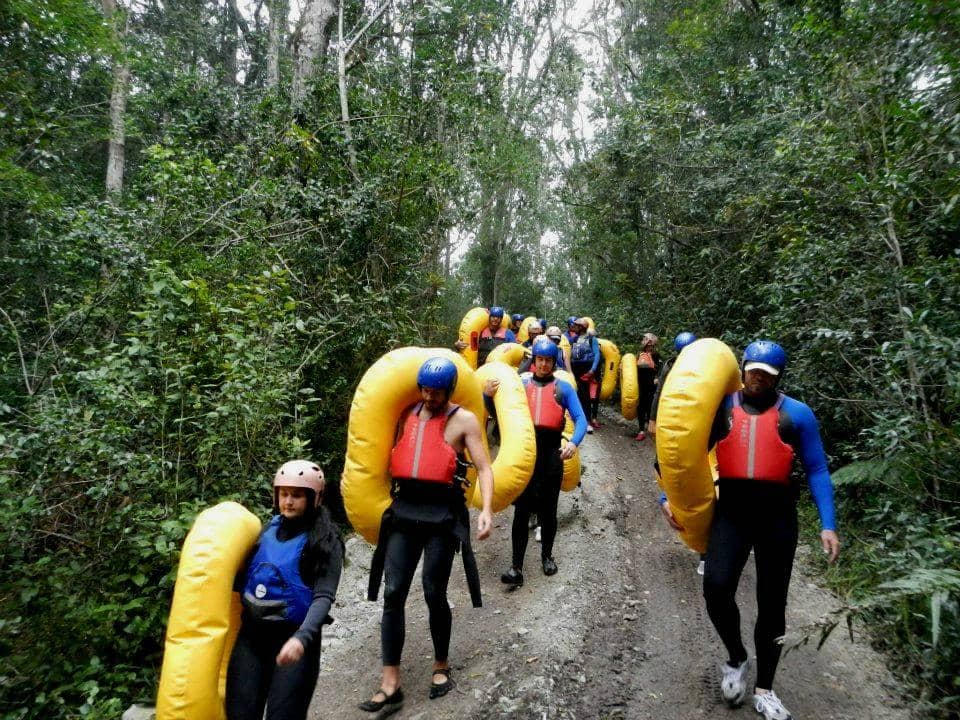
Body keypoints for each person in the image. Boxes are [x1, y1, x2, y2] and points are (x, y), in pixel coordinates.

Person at [690, 340, 840, 720]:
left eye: (767, 374)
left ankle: (765, 689)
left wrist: (828, 524)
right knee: (716, 587)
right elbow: (686, 457)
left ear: (778, 377)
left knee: (772, 605)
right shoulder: (721, 407)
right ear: (742, 368)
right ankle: (737, 657)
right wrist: (669, 500)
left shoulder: (798, 415)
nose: (758, 378)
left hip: (777, 517)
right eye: (753, 370)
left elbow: (818, 469)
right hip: (732, 512)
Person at [362, 357, 494, 711]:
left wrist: (486, 510)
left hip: (442, 515)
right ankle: (391, 682)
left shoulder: (463, 420)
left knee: (433, 590)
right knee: (393, 592)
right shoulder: (406, 413)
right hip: (405, 511)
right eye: (424, 389)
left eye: (436, 391)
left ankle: (441, 664)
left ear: (448, 390)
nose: (429, 396)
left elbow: (483, 466)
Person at [226, 461, 344, 720]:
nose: (288, 501)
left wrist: (302, 638)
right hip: (251, 640)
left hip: (293, 641)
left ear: (314, 498)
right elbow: (241, 582)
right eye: (284, 493)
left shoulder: (325, 541)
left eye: (297, 495)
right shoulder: (266, 531)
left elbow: (323, 596)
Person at [490, 337, 587, 586]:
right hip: (526, 455)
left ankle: (547, 556)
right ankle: (516, 566)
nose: (543, 365)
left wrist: (573, 444)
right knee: (521, 513)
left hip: (551, 455)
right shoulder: (521, 385)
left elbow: (580, 419)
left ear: (554, 363)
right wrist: (487, 396)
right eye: (540, 360)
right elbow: (496, 411)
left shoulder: (562, 388)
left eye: (548, 361)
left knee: (548, 512)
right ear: (534, 362)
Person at [648, 331, 697, 436]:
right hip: (676, 414)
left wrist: (653, 418)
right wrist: (652, 419)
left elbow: (658, 392)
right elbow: (659, 392)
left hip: (674, 413)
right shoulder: (669, 365)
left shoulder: (669, 364)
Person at [568, 318, 600, 435]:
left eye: (576, 326)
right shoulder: (574, 339)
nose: (574, 327)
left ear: (581, 327)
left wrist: (592, 370)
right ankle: (575, 420)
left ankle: (587, 421)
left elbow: (597, 354)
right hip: (575, 368)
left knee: (585, 396)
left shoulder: (592, 339)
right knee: (575, 394)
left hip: (586, 369)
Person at [634, 333, 660, 441]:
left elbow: (661, 369)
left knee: (650, 406)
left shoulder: (656, 355)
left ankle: (651, 429)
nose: (643, 341)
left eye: (645, 339)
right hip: (640, 384)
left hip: (651, 385)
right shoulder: (639, 354)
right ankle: (641, 430)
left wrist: (657, 378)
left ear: (650, 342)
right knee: (641, 407)